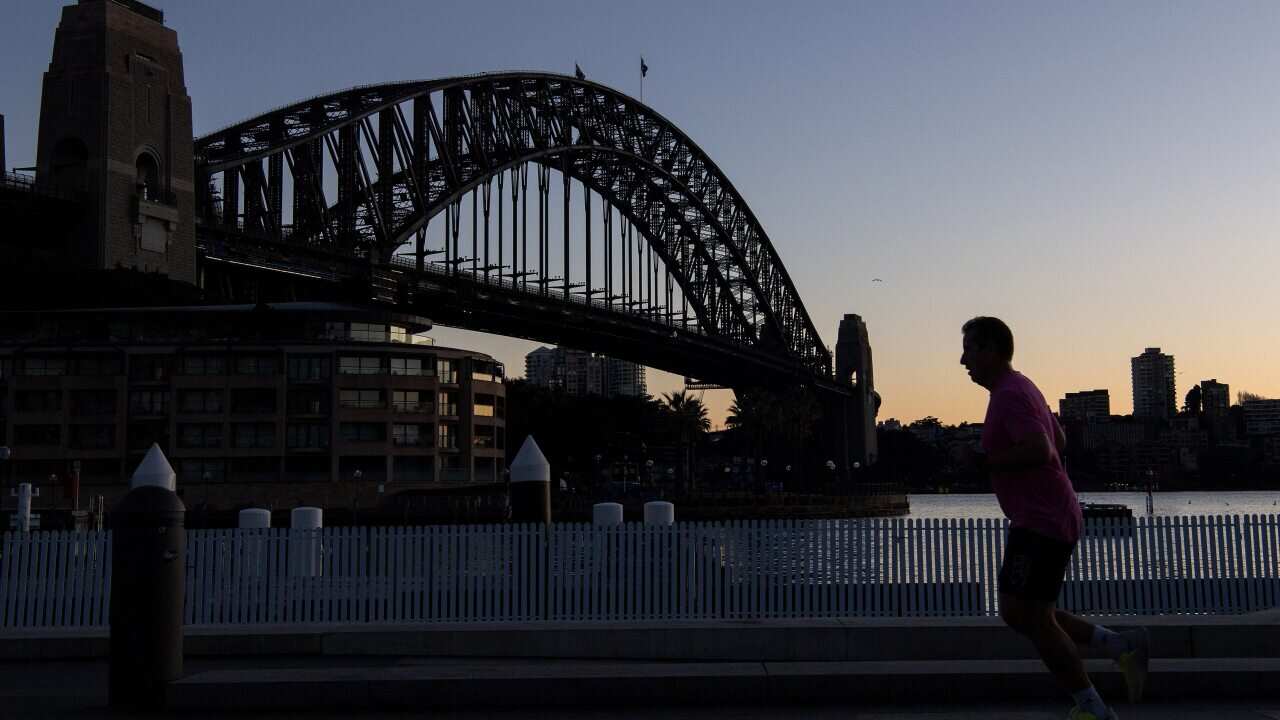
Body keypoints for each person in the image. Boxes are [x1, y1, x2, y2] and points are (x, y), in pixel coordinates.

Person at [959, 316, 1149, 720]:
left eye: (970, 349)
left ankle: (1094, 709)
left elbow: (1043, 450)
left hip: (1040, 520)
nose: (963, 360)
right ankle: (1120, 648)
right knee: (1024, 612)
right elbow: (1059, 441)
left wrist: (985, 461)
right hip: (1047, 515)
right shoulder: (1023, 386)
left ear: (992, 349)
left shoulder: (1008, 395)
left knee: (1029, 615)